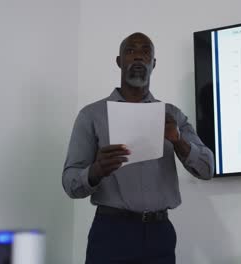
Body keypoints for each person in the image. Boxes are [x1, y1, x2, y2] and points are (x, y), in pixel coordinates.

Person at [62, 32, 214, 264]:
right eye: (131, 51)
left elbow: (207, 169)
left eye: (145, 52)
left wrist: (178, 140)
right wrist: (96, 170)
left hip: (159, 234)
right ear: (119, 61)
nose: (138, 57)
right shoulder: (92, 115)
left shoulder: (172, 115)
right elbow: (71, 183)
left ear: (153, 63)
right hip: (111, 233)